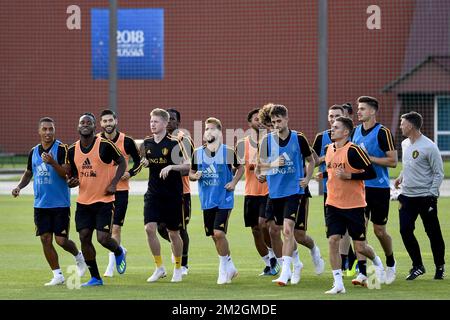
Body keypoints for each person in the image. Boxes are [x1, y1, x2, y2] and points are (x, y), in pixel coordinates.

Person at [12, 117, 87, 286]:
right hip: (41, 205)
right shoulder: (33, 151)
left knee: (61, 241)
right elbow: (29, 172)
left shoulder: (62, 149)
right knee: (45, 239)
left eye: (50, 129)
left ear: (54, 130)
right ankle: (58, 275)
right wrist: (19, 187)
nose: (47, 132)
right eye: (44, 129)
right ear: (39, 131)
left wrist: (52, 162)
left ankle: (78, 256)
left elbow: (66, 174)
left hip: (60, 204)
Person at [322, 116, 385, 294]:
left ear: (346, 132)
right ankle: (338, 284)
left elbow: (371, 172)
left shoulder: (354, 150)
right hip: (333, 204)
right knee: (333, 240)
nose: (331, 130)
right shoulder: (328, 149)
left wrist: (350, 176)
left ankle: (378, 264)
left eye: (336, 127)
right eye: (331, 127)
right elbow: (333, 172)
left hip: (354, 206)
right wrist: (325, 176)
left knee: (360, 247)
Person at [67, 112, 127, 286]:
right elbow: (72, 175)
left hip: (104, 201)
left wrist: (114, 183)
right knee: (84, 237)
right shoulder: (72, 150)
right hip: (83, 202)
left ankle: (118, 250)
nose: (85, 124)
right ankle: (95, 278)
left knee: (103, 239)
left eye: (89, 122)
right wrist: (71, 182)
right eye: (82, 122)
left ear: (95, 126)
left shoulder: (105, 145)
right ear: (78, 126)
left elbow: (122, 162)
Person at [259, 105, 316, 286]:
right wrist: (272, 165)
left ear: (286, 119)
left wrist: (307, 178)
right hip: (275, 192)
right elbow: (259, 168)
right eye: (273, 122)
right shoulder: (266, 141)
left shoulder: (298, 138)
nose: (276, 124)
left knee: (288, 230)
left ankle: (285, 273)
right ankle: (296, 264)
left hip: (294, 191)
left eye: (279, 121)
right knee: (274, 230)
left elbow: (311, 160)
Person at [190, 117, 244, 284]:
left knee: (219, 233)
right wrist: (194, 176)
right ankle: (230, 266)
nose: (209, 132)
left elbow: (240, 168)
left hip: (224, 199)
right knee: (214, 236)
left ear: (220, 132)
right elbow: (191, 173)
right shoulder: (197, 153)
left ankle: (222, 269)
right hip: (207, 200)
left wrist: (234, 182)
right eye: (206, 129)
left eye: (213, 129)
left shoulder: (227, 152)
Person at [352, 96, 398, 285]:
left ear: (372, 111)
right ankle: (364, 273)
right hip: (359, 189)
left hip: (379, 188)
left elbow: (393, 161)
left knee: (379, 231)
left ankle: (391, 262)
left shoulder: (383, 132)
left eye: (362, 109)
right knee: (359, 231)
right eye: (358, 108)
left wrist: (368, 158)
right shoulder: (355, 131)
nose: (359, 112)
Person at [394, 111, 445, 280]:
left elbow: (439, 173)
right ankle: (417, 265)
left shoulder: (429, 146)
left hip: (425, 197)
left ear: (411, 125)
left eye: (402, 123)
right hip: (407, 196)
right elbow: (408, 165)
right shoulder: (404, 144)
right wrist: (401, 177)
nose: (400, 126)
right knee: (405, 230)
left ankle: (440, 267)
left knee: (433, 233)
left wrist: (431, 195)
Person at [141, 108, 190, 283]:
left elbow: (188, 166)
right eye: (151, 121)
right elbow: (144, 162)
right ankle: (159, 267)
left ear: (164, 123)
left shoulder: (174, 143)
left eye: (156, 121)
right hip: (153, 194)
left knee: (174, 233)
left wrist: (172, 167)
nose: (152, 124)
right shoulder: (146, 143)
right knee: (149, 229)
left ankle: (178, 267)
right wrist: (144, 163)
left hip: (172, 195)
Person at [313, 105, 357, 276]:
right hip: (330, 190)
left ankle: (351, 262)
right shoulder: (321, 137)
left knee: (349, 230)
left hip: (351, 190)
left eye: (336, 116)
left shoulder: (350, 137)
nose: (332, 119)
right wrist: (326, 159)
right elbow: (313, 160)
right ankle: (348, 261)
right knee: (334, 231)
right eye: (330, 116)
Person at [98, 109, 143, 277]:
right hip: (101, 192)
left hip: (121, 191)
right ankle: (120, 250)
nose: (108, 124)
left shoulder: (127, 141)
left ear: (116, 121)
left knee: (115, 228)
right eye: (105, 121)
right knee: (104, 231)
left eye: (111, 120)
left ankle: (111, 265)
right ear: (101, 124)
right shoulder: (96, 140)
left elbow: (139, 163)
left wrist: (129, 173)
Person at [235, 108, 277, 276]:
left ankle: (276, 256)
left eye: (261, 118)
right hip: (251, 192)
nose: (259, 121)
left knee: (264, 224)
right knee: (255, 229)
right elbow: (236, 166)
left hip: (268, 191)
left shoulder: (273, 141)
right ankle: (268, 263)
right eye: (255, 118)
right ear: (249, 123)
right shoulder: (242, 144)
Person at [156, 109, 194, 277]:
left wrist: (173, 168)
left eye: (172, 119)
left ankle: (183, 264)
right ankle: (175, 245)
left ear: (178, 122)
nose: (169, 122)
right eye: (167, 119)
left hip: (181, 192)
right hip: (161, 192)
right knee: (160, 227)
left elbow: (190, 167)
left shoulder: (184, 140)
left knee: (180, 229)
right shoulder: (158, 140)